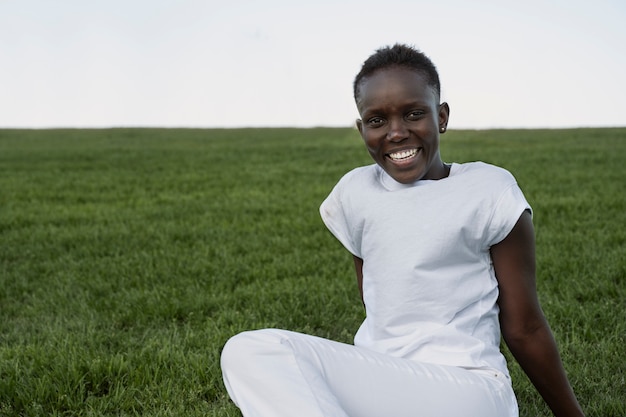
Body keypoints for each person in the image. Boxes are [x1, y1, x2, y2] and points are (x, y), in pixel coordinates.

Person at [220, 43, 584, 417]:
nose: (396, 133)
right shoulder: (356, 192)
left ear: (441, 116)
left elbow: (525, 329)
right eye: (377, 121)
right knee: (247, 350)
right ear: (362, 129)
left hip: (466, 389)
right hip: (385, 381)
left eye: (413, 114)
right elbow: (376, 299)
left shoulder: (489, 189)